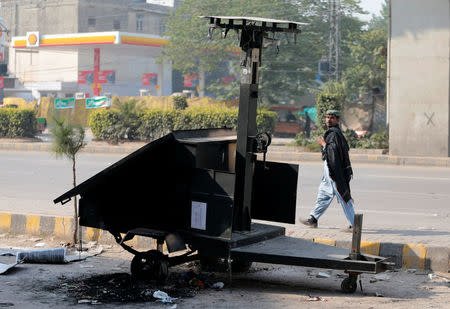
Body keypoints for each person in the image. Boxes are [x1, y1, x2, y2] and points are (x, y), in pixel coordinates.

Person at [299, 110, 355, 232]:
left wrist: (324, 144)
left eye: (332, 117)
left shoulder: (334, 134)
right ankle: (313, 219)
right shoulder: (333, 133)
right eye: (327, 117)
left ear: (337, 120)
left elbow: (333, 152)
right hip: (329, 170)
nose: (329, 119)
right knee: (323, 195)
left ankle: (355, 225)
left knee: (344, 198)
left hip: (334, 172)